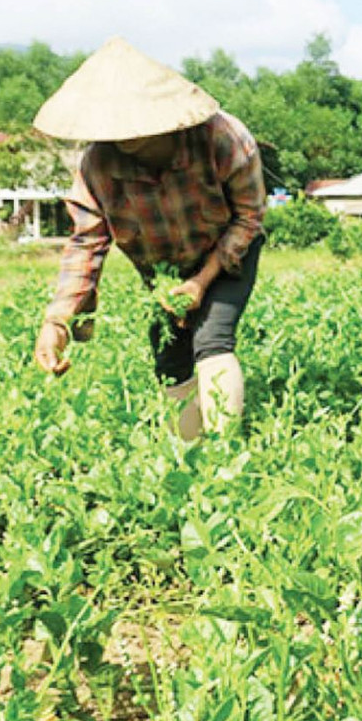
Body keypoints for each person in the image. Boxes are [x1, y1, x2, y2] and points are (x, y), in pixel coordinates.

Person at [32, 37, 266, 440]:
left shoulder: (220, 138)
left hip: (228, 251)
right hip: (164, 271)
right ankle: (189, 452)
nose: (121, 136)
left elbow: (248, 217)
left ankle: (226, 456)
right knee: (169, 356)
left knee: (211, 338)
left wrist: (200, 282)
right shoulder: (98, 166)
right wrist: (57, 321)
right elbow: (86, 244)